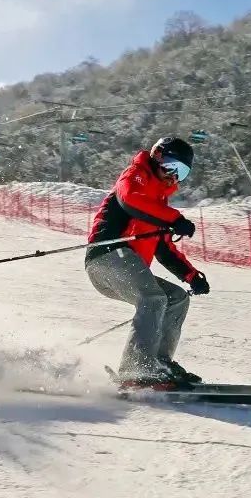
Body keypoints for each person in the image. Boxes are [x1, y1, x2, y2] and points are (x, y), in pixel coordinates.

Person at [84, 136, 210, 390]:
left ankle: (158, 363)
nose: (174, 176)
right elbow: (130, 199)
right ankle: (135, 369)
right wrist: (174, 218)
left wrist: (191, 276)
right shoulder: (135, 175)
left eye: (182, 172)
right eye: (172, 166)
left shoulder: (158, 203)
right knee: (153, 299)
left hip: (127, 265)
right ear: (158, 157)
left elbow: (164, 247)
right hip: (107, 257)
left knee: (176, 298)